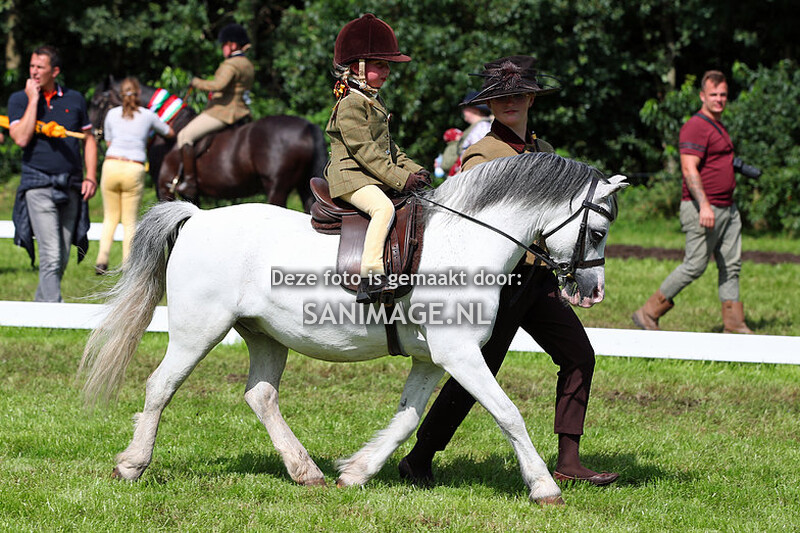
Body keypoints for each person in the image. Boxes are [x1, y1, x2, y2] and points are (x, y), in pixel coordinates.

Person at [399, 55, 619, 487]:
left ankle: (569, 460)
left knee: (578, 355)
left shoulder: (545, 154)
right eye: (501, 97)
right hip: (496, 283)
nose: (510, 103)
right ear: (491, 103)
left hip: (538, 280)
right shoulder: (482, 155)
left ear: (531, 98)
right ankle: (419, 458)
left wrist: (568, 272)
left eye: (518, 94)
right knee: (474, 373)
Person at [631, 70, 753, 334]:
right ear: (702, 96)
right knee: (695, 265)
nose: (719, 99)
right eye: (714, 95)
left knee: (731, 266)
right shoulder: (696, 126)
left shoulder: (718, 125)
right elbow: (689, 169)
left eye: (723, 95)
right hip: (703, 208)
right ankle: (648, 312)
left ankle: (734, 324)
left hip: (728, 209)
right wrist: (705, 205)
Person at [324, 14, 430, 303]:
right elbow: (367, 153)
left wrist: (415, 170)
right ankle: (370, 275)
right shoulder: (350, 105)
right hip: (351, 178)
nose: (387, 72)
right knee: (384, 209)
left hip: (367, 175)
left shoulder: (374, 101)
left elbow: (389, 149)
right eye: (380, 65)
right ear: (357, 68)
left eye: (387, 66)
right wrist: (399, 179)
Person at [8, 45, 97, 302]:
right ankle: (54, 315)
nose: (34, 72)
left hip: (71, 185)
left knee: (62, 256)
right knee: (51, 254)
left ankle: (39, 310)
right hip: (37, 185)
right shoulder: (19, 99)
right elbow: (21, 138)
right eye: (32, 66)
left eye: (40, 67)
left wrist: (91, 176)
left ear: (54, 71)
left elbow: (88, 140)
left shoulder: (74, 99)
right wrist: (33, 99)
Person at [95, 77, 175, 274]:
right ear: (139, 94)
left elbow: (108, 142)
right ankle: (127, 264)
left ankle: (102, 259)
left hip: (111, 165)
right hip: (134, 168)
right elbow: (169, 133)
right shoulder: (148, 115)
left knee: (110, 217)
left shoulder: (112, 114)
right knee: (129, 220)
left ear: (120, 95)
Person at [174, 23, 255, 198]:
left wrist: (196, 82)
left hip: (223, 111)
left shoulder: (230, 64)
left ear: (232, 45)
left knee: (184, 136)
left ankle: (189, 182)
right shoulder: (248, 64)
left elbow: (218, 85)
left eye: (224, 44)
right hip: (243, 111)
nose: (222, 48)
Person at [435, 92, 493, 178]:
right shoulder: (476, 128)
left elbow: (478, 158)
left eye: (465, 107)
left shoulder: (482, 127)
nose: (463, 111)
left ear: (475, 109)